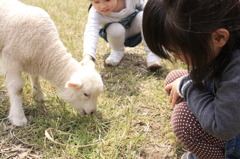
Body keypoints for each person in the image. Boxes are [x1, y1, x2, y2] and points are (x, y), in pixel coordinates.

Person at [142, 0, 240, 158]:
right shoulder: (224, 38)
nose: (176, 57)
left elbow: (222, 126)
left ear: (219, 37)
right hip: (232, 115)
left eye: (179, 52)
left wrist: (187, 87)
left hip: (231, 131)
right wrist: (185, 83)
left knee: (183, 123)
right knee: (174, 78)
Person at [80, 0, 162, 71]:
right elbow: (91, 32)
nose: (103, 6)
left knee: (144, 15)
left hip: (134, 30)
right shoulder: (95, 13)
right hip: (115, 35)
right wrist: (87, 57)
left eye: (107, 0)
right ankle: (117, 51)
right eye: (96, 2)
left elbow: (148, 9)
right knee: (115, 28)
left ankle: (152, 53)